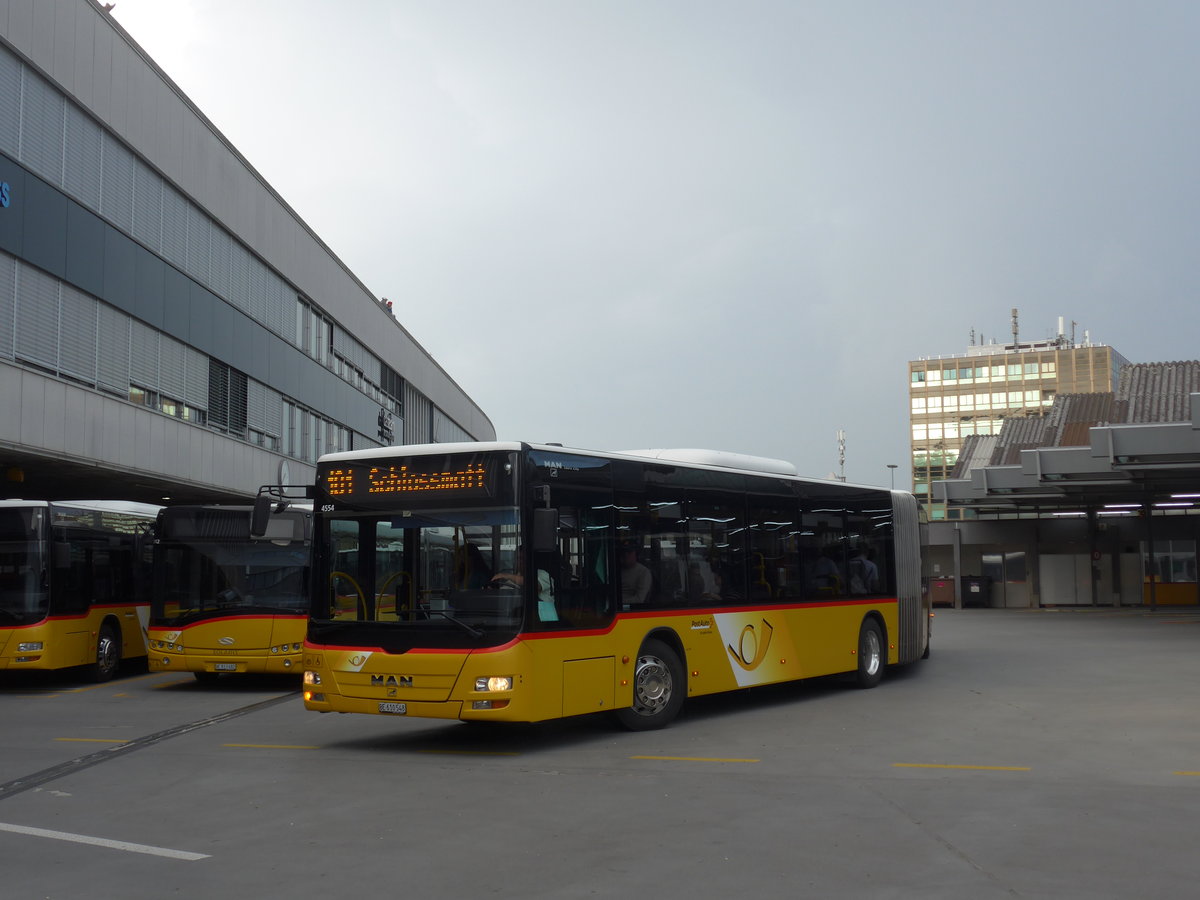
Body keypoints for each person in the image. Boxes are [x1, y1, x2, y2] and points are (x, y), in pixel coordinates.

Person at [619, 540, 652, 607]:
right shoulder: (616, 569)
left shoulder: (644, 572)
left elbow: (639, 599)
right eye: (623, 552)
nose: (626, 555)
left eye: (629, 552)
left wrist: (616, 602)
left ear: (636, 554)